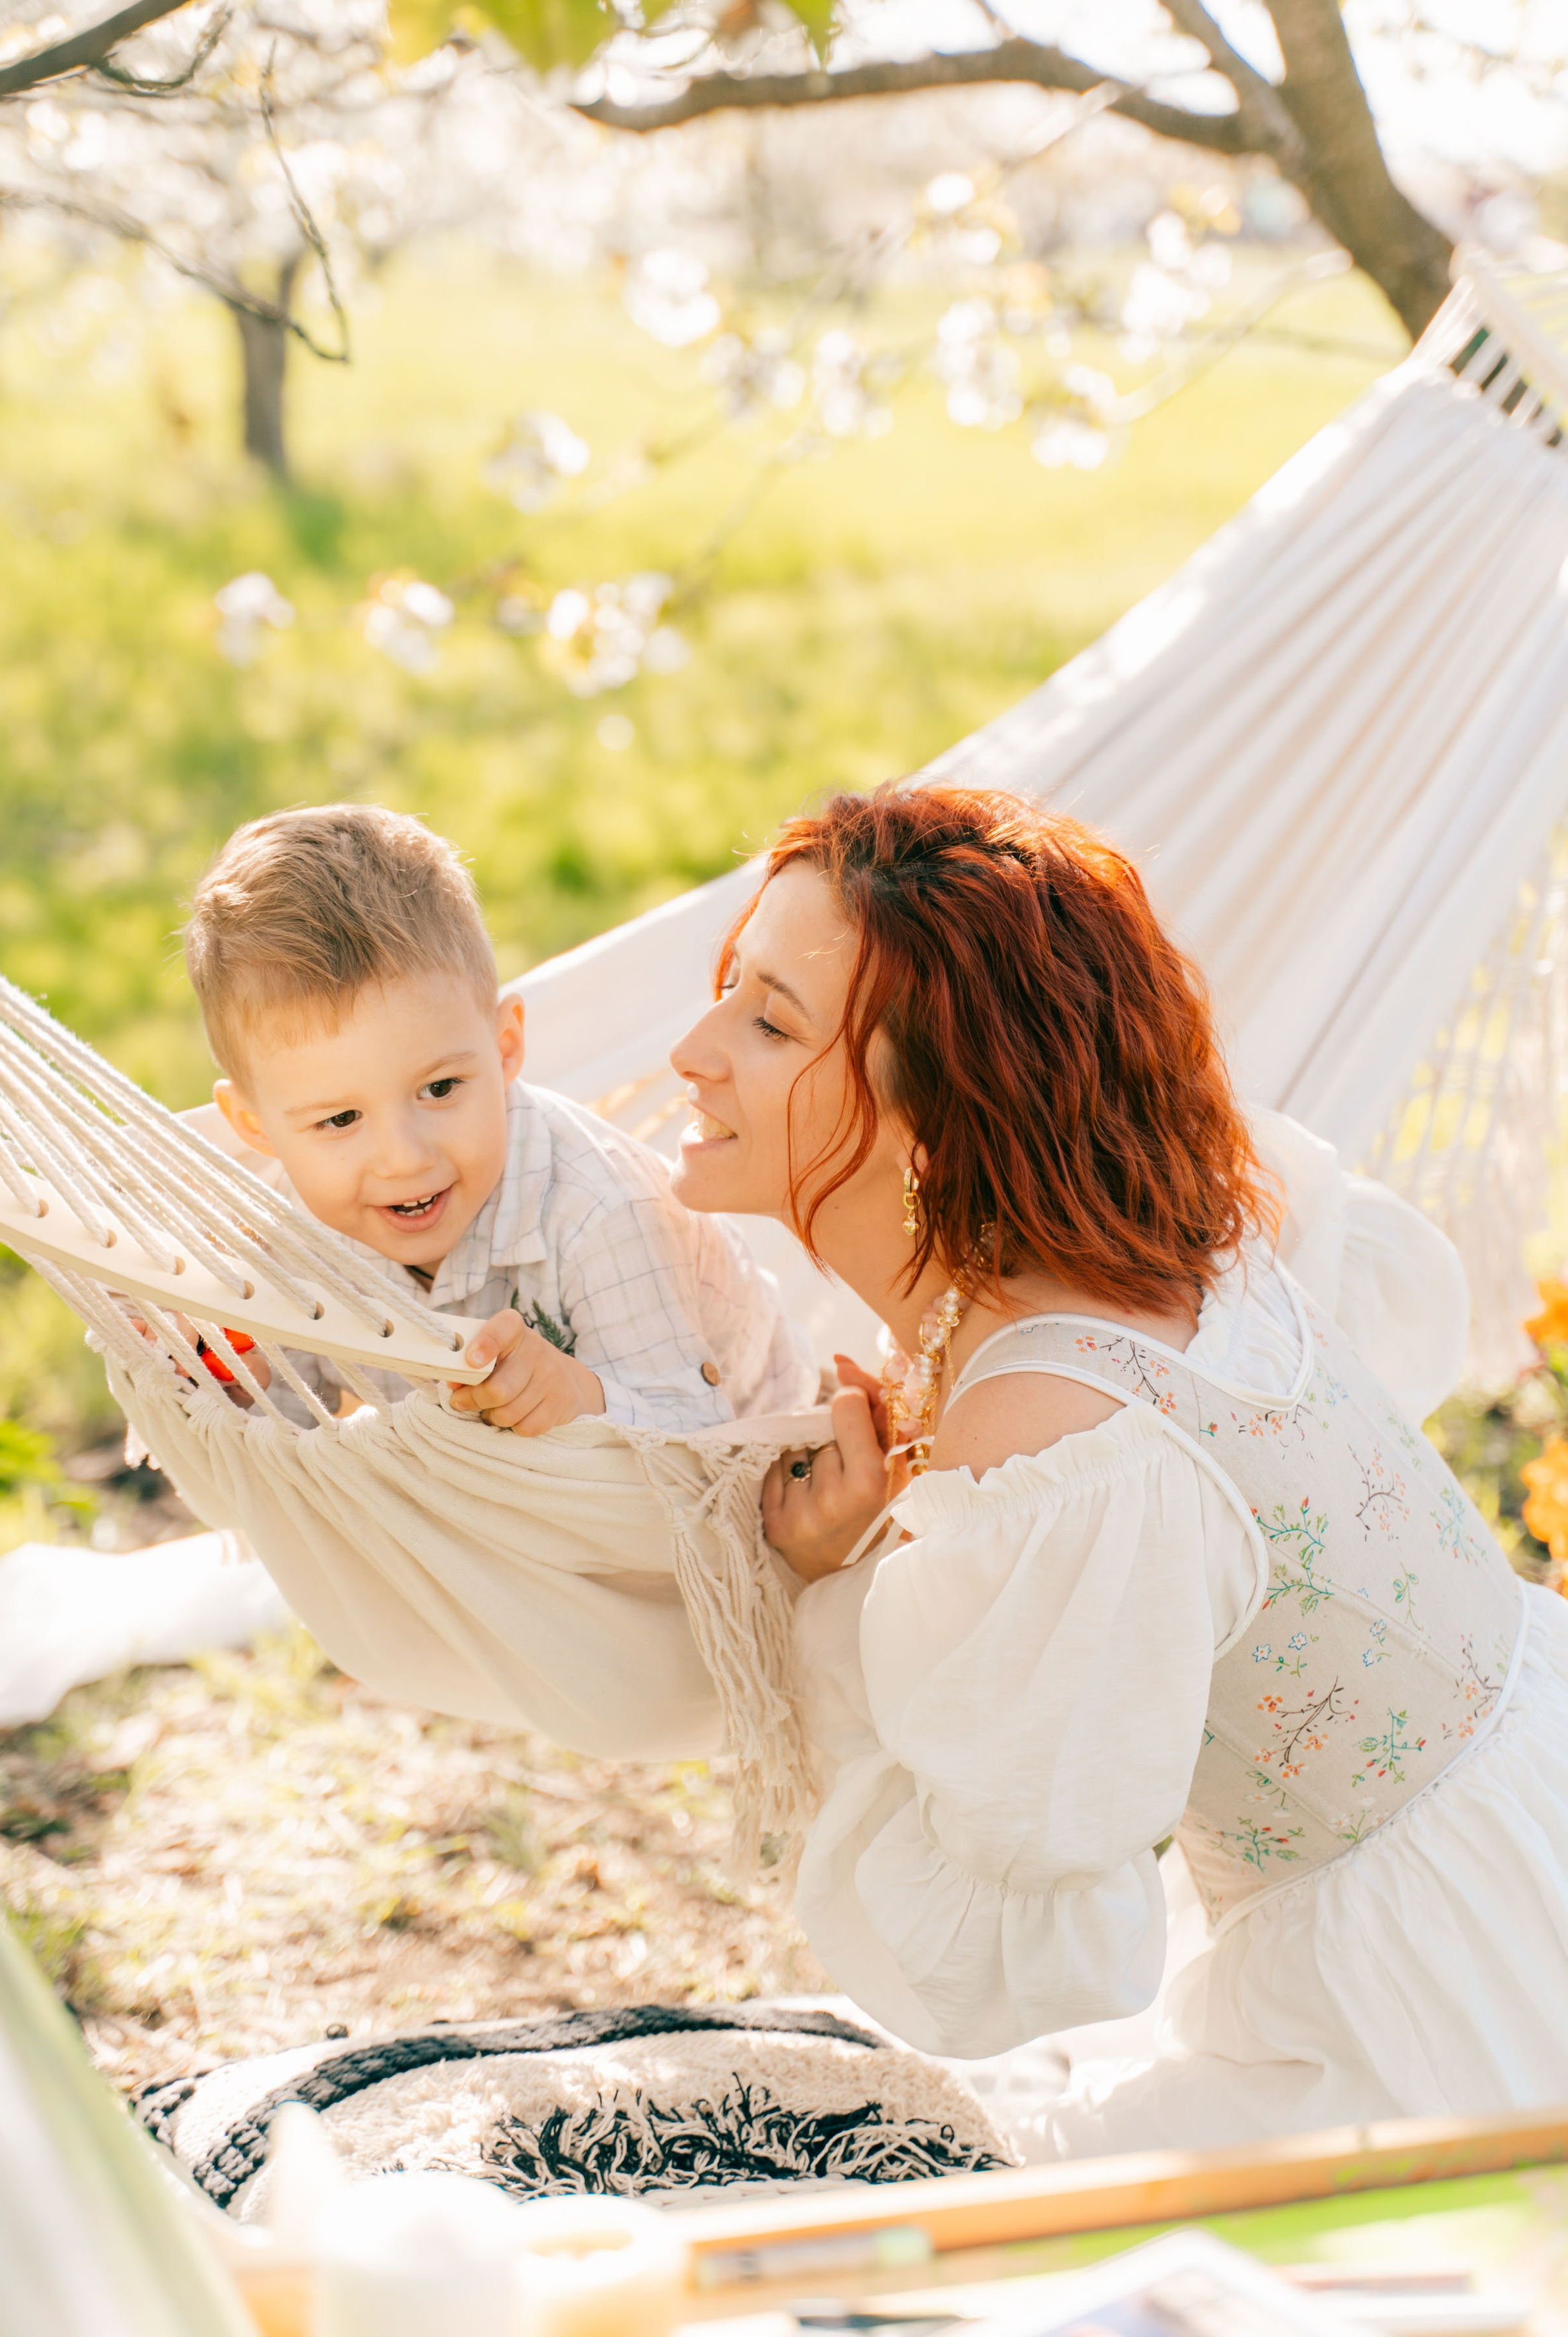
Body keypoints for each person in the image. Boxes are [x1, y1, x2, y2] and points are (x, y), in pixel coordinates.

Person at [667, 779, 1568, 2156]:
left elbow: (1005, 1932)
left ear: (929, 1118)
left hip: (1448, 2002)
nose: (689, 1049)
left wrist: (813, 1597)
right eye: (730, 988)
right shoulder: (1164, 1216)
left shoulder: (1056, 1429)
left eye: (768, 1023)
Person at [181, 804, 813, 1435]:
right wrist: (229, 1376)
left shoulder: (599, 1212)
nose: (404, 1157)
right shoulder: (289, 1234)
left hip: (760, 1478)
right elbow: (289, 1435)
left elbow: (696, 1446)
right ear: (254, 1123)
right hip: (496, 1503)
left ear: (506, 1045)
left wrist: (581, 1397)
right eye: (341, 1119)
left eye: (439, 1088)